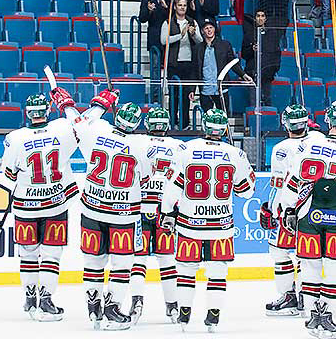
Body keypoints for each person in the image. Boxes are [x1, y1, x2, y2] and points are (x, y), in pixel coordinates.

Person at [276, 101, 336, 339]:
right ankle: (327, 315)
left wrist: (288, 210)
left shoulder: (309, 145)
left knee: (309, 265)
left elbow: (292, 181)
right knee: (335, 267)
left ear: (328, 120)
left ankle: (311, 315)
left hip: (310, 213)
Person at [161, 108, 254, 331]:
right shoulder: (235, 153)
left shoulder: (186, 149)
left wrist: (167, 212)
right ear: (224, 129)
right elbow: (247, 191)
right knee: (218, 272)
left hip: (189, 223)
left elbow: (172, 187)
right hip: (221, 225)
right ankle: (213, 315)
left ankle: (184, 313)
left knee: (185, 269)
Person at [1, 91, 89, 321]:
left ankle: (30, 297)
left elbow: (9, 174)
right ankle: (46, 299)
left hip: (25, 206)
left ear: (27, 113)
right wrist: (67, 104)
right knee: (51, 255)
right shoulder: (61, 128)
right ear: (48, 110)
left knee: (28, 254)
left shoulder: (15, 137)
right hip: (55, 204)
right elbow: (82, 126)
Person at [70, 91, 151, 330]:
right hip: (123, 214)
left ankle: (93, 306)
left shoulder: (98, 131)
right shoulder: (140, 145)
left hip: (92, 209)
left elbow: (79, 123)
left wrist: (100, 104)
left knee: (93, 262)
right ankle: (112, 308)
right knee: (122, 264)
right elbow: (143, 179)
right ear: (136, 123)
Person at [261, 105, 320, 315]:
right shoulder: (319, 139)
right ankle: (308, 295)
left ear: (285, 123)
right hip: (316, 206)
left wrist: (269, 207)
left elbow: (278, 183)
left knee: (279, 250)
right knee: (308, 253)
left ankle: (289, 297)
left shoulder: (282, 148)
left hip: (290, 207)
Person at [128, 106, 183, 323]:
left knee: (137, 259)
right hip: (165, 211)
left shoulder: (136, 142)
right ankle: (172, 306)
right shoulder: (179, 146)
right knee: (167, 260)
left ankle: (137, 302)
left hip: (139, 209)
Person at [161, 0, 199, 129]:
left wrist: (193, 34)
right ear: (175, 7)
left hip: (189, 64)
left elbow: (200, 41)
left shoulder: (192, 22)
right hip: (174, 64)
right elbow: (163, 40)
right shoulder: (168, 22)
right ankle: (173, 122)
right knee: (174, 95)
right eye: (180, 5)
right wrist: (180, 35)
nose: (182, 7)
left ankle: (185, 123)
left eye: (184, 5)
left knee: (186, 94)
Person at [189, 16, 236, 115]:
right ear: (202, 31)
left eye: (211, 27)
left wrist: (244, 75)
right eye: (206, 28)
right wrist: (192, 89)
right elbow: (194, 70)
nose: (209, 30)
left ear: (215, 29)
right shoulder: (197, 48)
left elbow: (233, 63)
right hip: (205, 90)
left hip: (221, 90)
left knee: (223, 118)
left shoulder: (225, 45)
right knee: (206, 119)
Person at [139, 0, 171, 64]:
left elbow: (175, 16)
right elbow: (142, 19)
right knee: (155, 66)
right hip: (154, 37)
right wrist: (149, 11)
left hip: (168, 36)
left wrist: (166, 8)